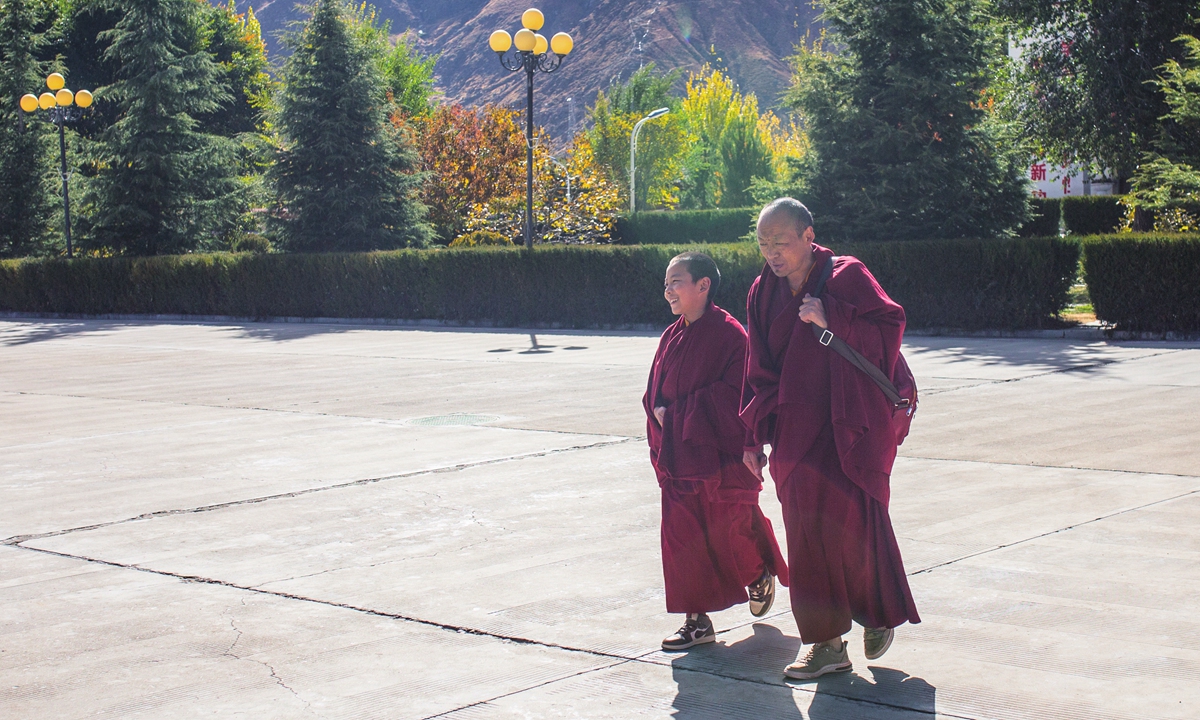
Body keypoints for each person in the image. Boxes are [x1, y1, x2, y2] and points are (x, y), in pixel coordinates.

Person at [740, 198, 920, 679]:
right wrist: (753, 436)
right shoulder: (763, 292)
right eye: (763, 243)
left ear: (808, 236)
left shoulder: (847, 276)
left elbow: (890, 328)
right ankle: (824, 643)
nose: (772, 253)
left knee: (856, 524)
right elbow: (757, 366)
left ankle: (876, 611)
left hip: (852, 420)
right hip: (797, 427)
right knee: (805, 533)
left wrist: (833, 317)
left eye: (781, 242)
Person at [644, 251, 790, 651]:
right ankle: (697, 622)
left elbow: (737, 398)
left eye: (677, 281)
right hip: (679, 458)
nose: (668, 289)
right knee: (683, 542)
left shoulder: (731, 336)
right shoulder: (671, 336)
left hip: (720, 460)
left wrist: (677, 415)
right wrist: (663, 424)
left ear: (703, 285)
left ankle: (758, 571)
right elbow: (653, 394)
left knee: (732, 537)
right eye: (667, 282)